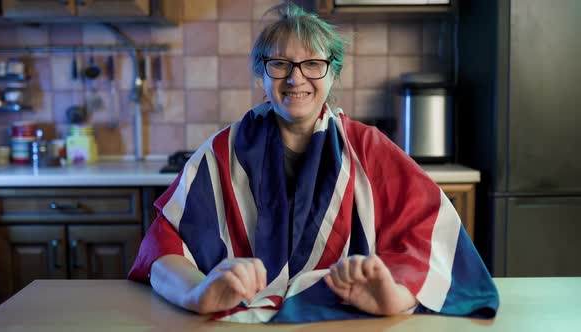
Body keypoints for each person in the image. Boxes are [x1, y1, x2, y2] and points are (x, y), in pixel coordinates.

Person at [128, 2, 499, 324]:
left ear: (333, 72)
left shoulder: (367, 147)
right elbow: (162, 246)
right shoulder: (222, 150)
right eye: (279, 63)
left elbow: (432, 232)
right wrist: (199, 294)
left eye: (313, 64)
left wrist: (396, 297)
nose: (295, 77)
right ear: (261, 73)